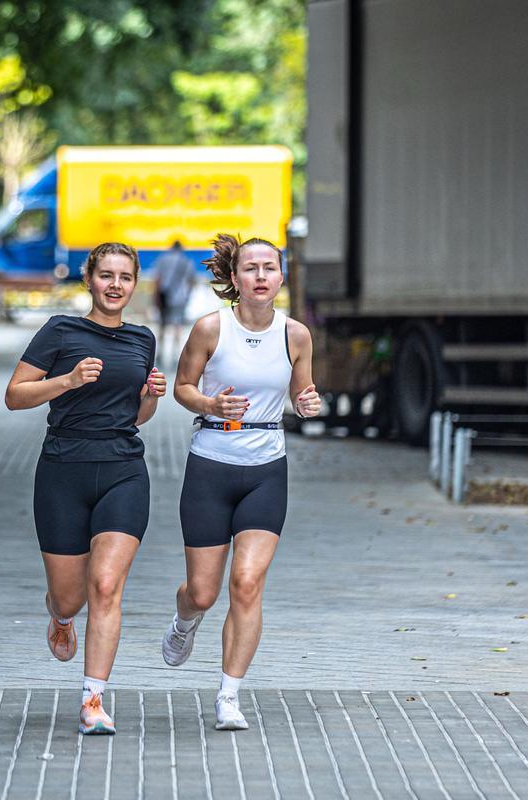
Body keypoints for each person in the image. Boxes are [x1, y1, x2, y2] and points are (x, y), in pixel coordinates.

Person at [5, 242, 167, 735]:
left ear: (135, 283)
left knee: (106, 586)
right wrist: (69, 381)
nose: (115, 285)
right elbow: (14, 396)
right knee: (71, 597)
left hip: (123, 470)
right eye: (106, 276)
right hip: (63, 472)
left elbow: (137, 417)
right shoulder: (61, 330)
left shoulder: (143, 339)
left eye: (125, 277)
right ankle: (58, 616)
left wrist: (148, 397)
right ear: (89, 279)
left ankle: (93, 699)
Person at [161, 233, 320, 730]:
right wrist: (210, 404)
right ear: (234, 278)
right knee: (204, 592)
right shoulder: (211, 329)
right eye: (250, 268)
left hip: (266, 469)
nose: (259, 276)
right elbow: (183, 388)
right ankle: (184, 620)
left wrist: (310, 404)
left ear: (281, 277)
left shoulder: (296, 335)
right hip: (210, 464)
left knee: (247, 584)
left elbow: (302, 393)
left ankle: (229, 695)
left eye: (269, 268)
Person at [153, 240, 198, 367]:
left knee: (162, 326)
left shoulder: (163, 259)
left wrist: (156, 297)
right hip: (180, 299)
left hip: (165, 297)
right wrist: (187, 296)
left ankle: (160, 355)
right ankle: (175, 356)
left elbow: (157, 279)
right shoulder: (187, 261)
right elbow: (192, 281)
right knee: (177, 327)